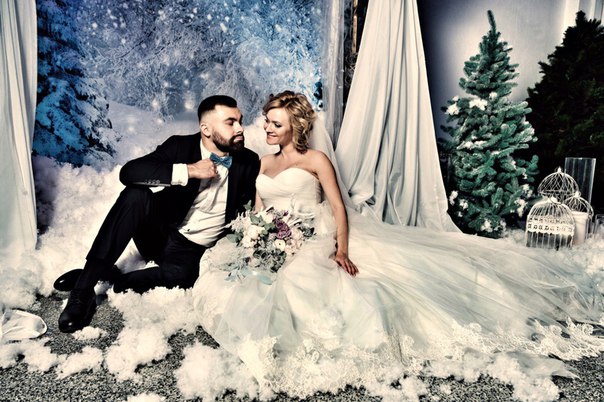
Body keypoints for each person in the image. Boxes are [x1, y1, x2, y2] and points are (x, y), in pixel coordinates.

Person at [191, 91, 604, 396]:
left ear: (295, 128)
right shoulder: (262, 163)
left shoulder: (316, 161)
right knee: (234, 282)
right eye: (266, 121)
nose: (266, 128)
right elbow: (260, 210)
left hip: (315, 236)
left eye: (275, 124)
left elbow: (338, 209)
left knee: (315, 288)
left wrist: (341, 249)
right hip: (275, 239)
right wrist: (256, 239)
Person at [57, 95, 260, 333]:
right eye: (230, 122)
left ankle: (107, 275)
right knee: (135, 195)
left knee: (184, 277)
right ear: (206, 129)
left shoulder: (248, 161)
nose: (240, 128)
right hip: (159, 233)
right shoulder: (180, 146)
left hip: (191, 249)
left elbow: (250, 210)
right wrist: (189, 170)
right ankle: (83, 290)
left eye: (240, 121)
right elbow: (129, 172)